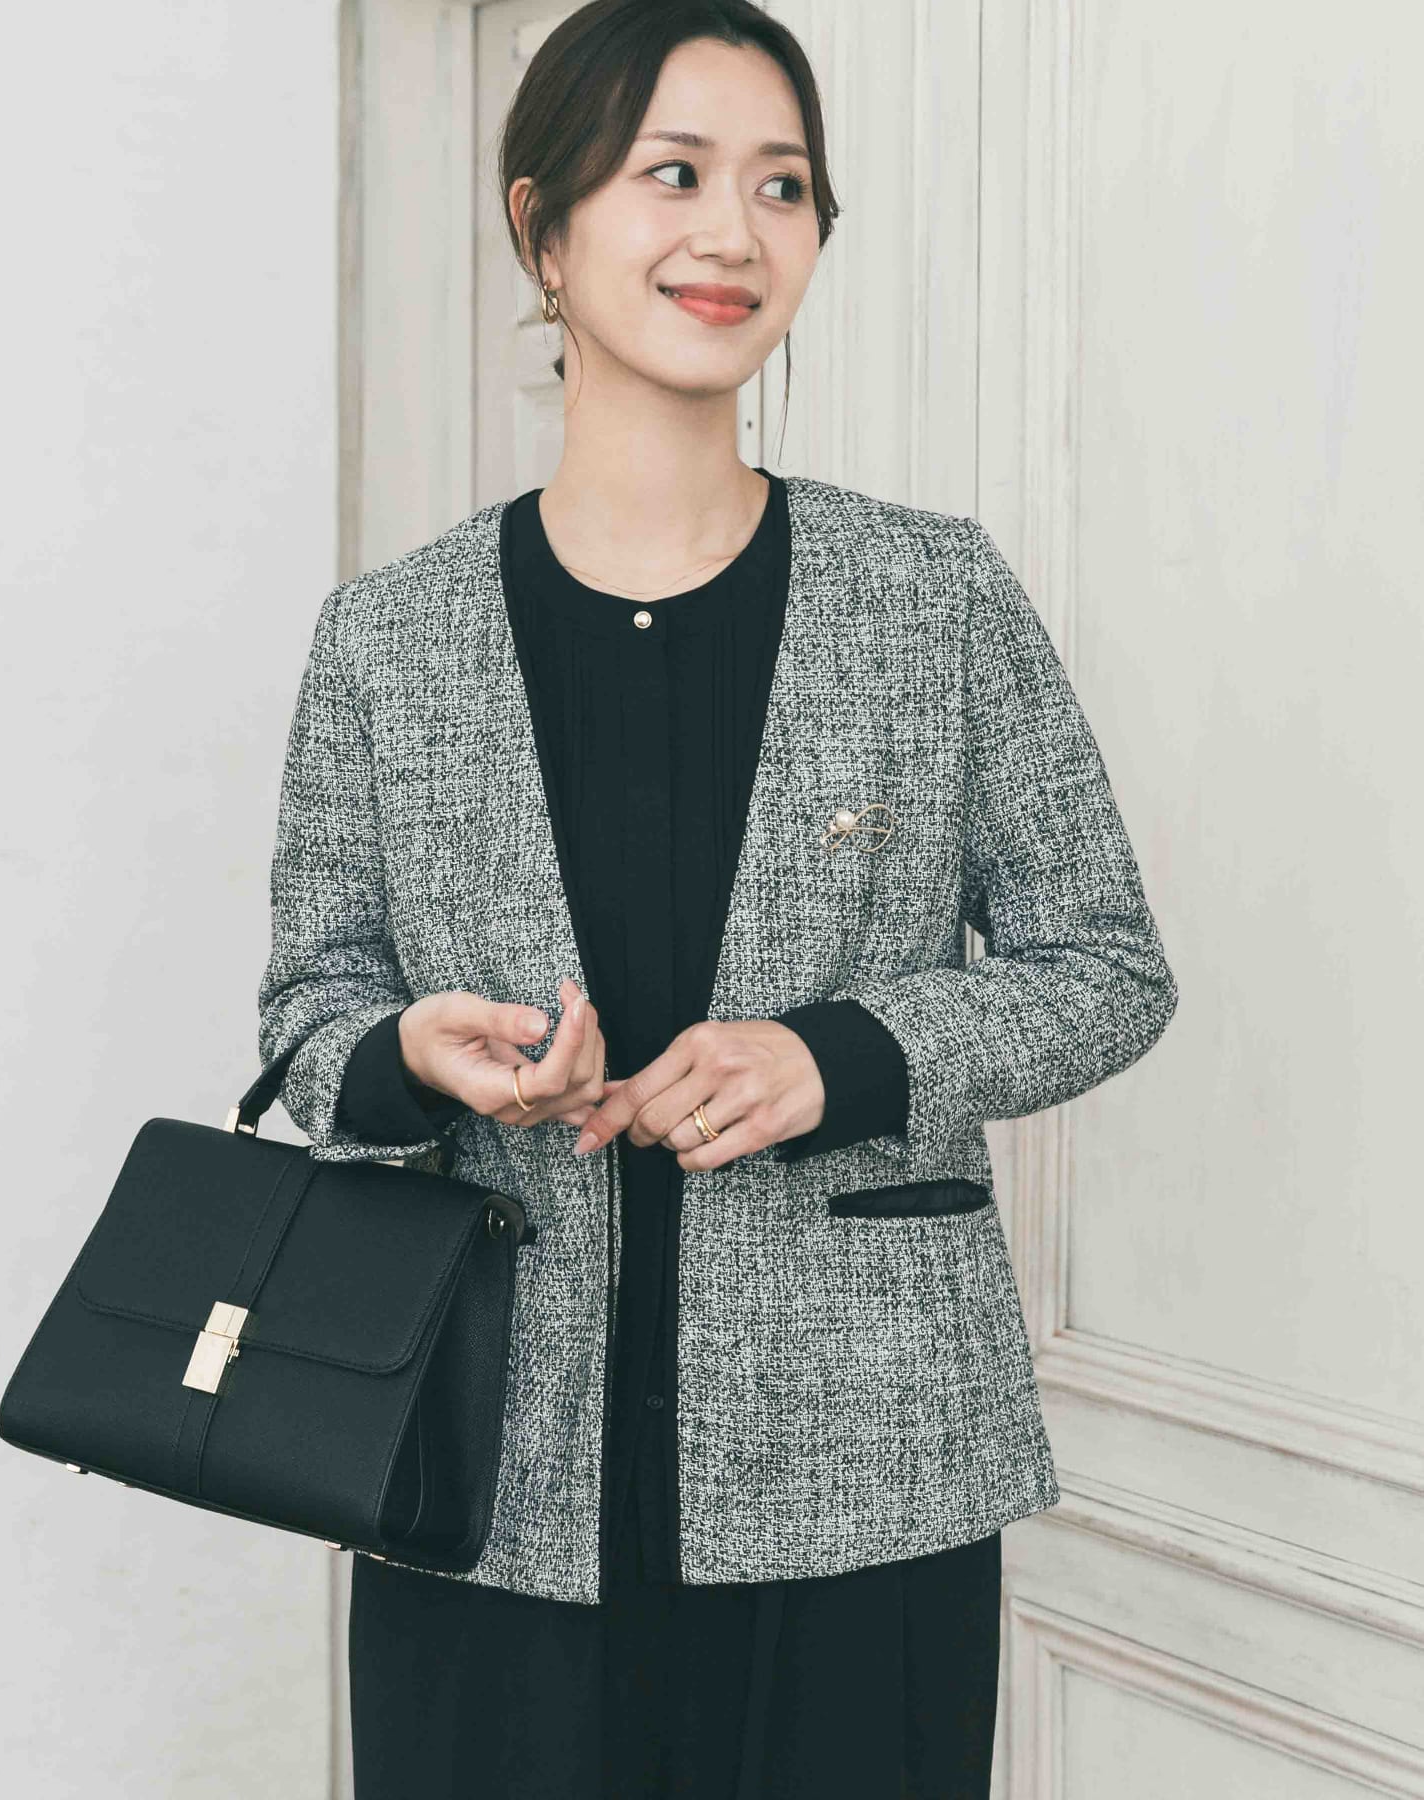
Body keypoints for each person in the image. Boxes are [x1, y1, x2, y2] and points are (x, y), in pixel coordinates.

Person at [255, 3, 1178, 1795]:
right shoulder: (389, 636)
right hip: (480, 1474)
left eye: (783, 186)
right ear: (543, 227)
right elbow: (309, 1017)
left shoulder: (935, 597)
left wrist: (843, 1054)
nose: (734, 233)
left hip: (867, 1475)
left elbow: (1107, 967)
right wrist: (417, 1053)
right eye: (672, 174)